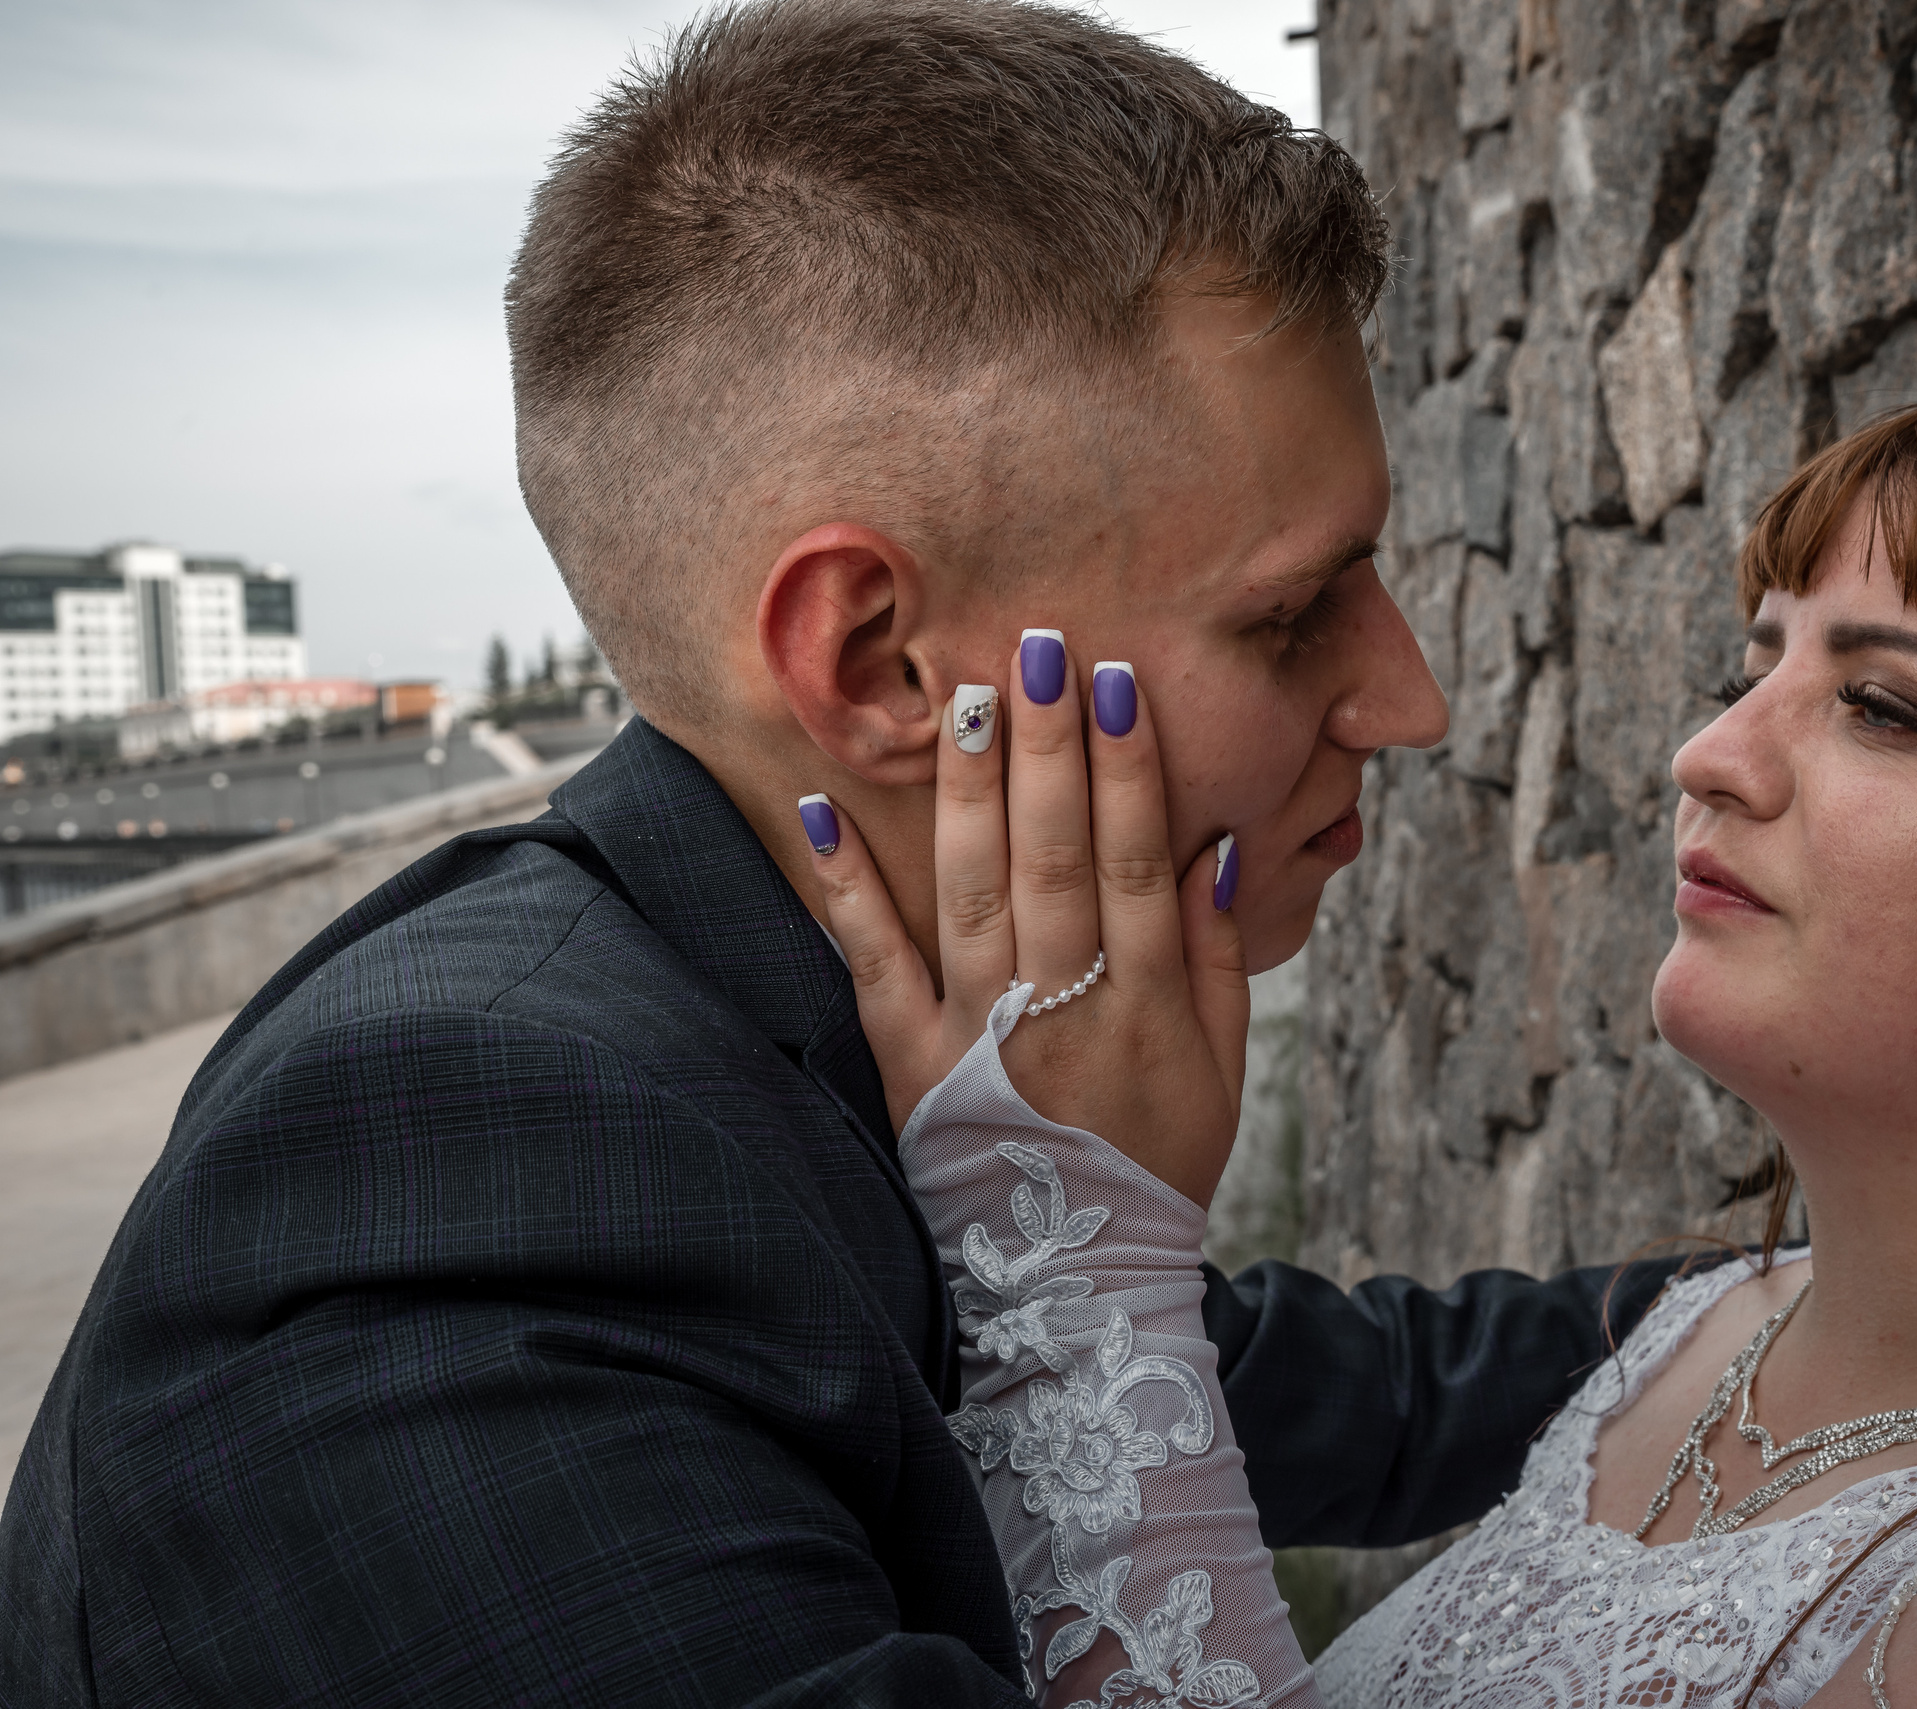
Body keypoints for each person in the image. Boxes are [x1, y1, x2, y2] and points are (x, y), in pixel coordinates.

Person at [0, 4, 1688, 1703]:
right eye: (1293, 611)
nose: (1411, 696)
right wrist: (1082, 1272)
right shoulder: (450, 1178)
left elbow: (1261, 1386)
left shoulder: (797, 1030)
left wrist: (1796, 1303)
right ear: (877, 661)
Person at [820, 403, 1917, 1707]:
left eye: (1882, 703)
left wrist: (1085, 1293)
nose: (1709, 753)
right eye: (1758, 661)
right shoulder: (1708, 1330)